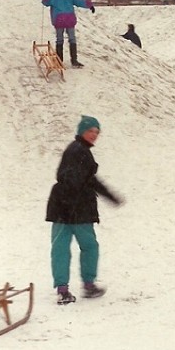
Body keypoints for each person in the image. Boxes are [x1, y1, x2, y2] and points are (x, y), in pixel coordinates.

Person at [46, 115, 122, 304]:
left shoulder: (80, 150)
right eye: (91, 131)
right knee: (76, 248)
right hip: (71, 209)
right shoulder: (78, 151)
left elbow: (86, 179)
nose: (94, 135)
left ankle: (74, 287)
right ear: (82, 131)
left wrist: (108, 195)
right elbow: (72, 178)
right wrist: (103, 195)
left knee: (70, 248)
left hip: (70, 208)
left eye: (97, 132)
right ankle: (78, 287)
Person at [41, 0, 95, 68]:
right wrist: (90, 5)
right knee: (72, 39)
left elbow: (46, 2)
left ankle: (59, 60)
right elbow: (79, 1)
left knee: (59, 39)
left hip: (58, 19)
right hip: (69, 18)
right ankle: (74, 61)